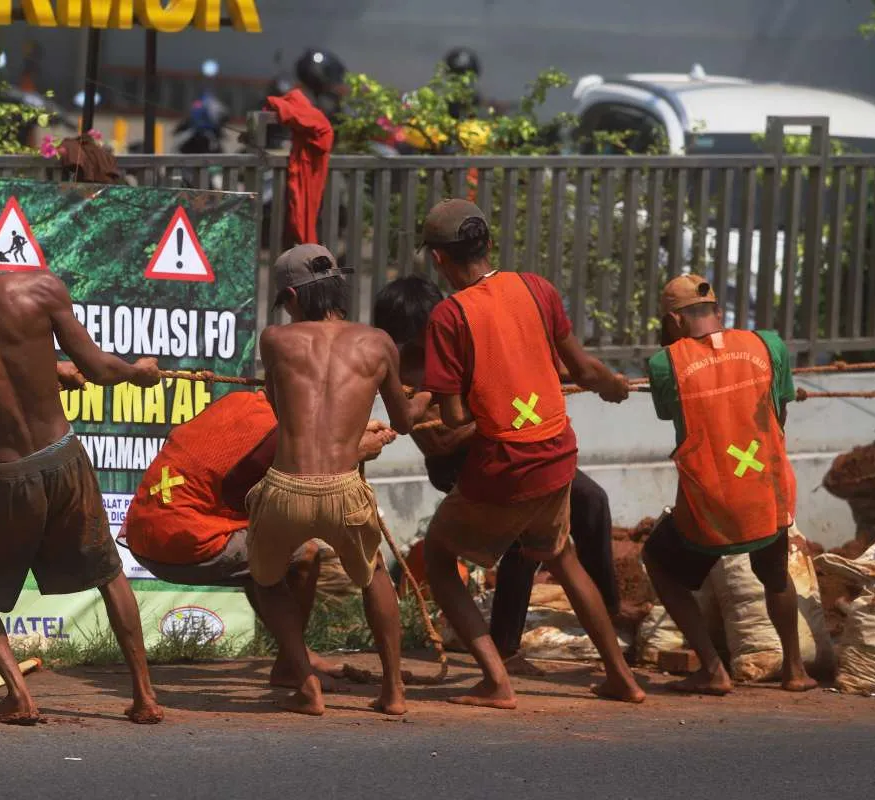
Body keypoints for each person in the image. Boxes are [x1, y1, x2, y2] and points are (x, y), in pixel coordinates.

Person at [0, 202, 164, 725]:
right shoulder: (40, 286)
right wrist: (138, 372)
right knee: (109, 572)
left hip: (4, 473)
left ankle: (19, 694)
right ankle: (145, 697)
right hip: (64, 457)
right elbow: (98, 368)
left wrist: (43, 373)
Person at [417, 199, 645, 708]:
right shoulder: (536, 288)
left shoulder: (449, 316)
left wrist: (467, 407)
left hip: (507, 465)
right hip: (557, 452)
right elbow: (584, 369)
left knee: (436, 554)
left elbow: (453, 418)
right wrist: (612, 384)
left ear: (437, 258)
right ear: (489, 245)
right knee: (562, 558)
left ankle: (496, 680)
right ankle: (622, 678)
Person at [372, 276, 620, 673]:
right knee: (526, 539)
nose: (427, 338)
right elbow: (439, 441)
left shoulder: (458, 336)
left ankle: (611, 616)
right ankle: (505, 648)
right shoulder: (403, 368)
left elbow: (536, 370)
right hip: (470, 458)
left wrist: (582, 379)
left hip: (513, 446)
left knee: (592, 502)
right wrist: (497, 415)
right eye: (418, 334)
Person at [248, 243, 432, 716]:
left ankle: (304, 679)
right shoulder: (378, 343)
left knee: (265, 582)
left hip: (286, 488)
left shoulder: (274, 340)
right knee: (372, 576)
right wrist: (434, 395)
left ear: (291, 296)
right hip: (344, 489)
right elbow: (405, 421)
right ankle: (393, 691)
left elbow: (283, 407)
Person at [121, 390, 396, 690]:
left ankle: (298, 656)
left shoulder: (246, 402)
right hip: (182, 543)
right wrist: (355, 451)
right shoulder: (275, 436)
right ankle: (293, 668)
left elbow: (310, 444)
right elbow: (304, 475)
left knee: (263, 558)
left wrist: (355, 436)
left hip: (143, 535)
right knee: (304, 555)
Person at [642, 274, 817, 695]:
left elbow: (671, 416)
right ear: (717, 312)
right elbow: (780, 411)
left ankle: (713, 670)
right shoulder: (768, 345)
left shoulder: (666, 364)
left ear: (673, 321)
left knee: (659, 561)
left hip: (711, 501)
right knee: (774, 574)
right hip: (765, 490)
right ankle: (794, 670)